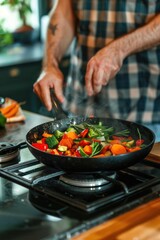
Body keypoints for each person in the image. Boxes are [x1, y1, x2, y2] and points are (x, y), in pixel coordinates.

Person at [33, 0, 160, 141]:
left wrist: (120, 49)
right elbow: (64, 9)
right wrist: (50, 64)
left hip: (146, 113)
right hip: (80, 111)